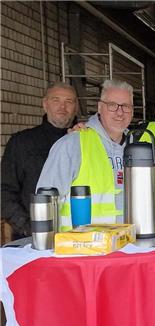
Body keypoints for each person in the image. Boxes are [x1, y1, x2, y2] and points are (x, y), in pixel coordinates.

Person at [37, 79, 135, 229]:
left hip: (127, 245)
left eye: (126, 106)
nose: (120, 112)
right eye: (112, 105)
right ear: (100, 107)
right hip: (81, 247)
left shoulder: (138, 147)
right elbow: (45, 202)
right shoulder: (71, 145)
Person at [2, 82, 77, 239]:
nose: (62, 107)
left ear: (75, 106)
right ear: (45, 104)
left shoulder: (85, 141)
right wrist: (28, 227)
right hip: (31, 239)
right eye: (56, 100)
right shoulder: (22, 142)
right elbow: (5, 191)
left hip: (78, 237)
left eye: (68, 101)